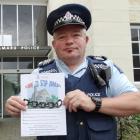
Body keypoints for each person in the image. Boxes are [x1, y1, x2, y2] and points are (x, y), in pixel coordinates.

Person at [5, 3, 140, 140]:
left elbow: (136, 102)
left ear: (86, 40)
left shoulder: (105, 69)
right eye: (62, 37)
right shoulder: (39, 74)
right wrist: (14, 107)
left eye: (76, 35)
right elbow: (21, 105)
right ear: (54, 44)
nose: (69, 41)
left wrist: (94, 103)